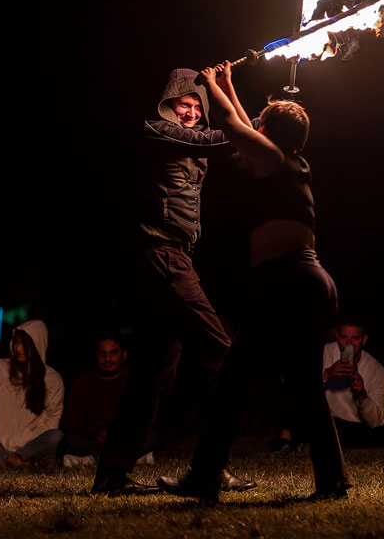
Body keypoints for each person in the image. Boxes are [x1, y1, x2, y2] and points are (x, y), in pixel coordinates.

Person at [158, 61, 350, 505]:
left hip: (288, 284)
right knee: (300, 384)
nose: (255, 125)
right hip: (302, 284)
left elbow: (229, 123)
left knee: (233, 381)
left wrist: (209, 84)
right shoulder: (281, 160)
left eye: (262, 122)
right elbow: (245, 126)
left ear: (270, 131)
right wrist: (227, 83)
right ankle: (333, 480)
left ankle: (203, 477)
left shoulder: (274, 158)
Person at [91, 67, 256, 496]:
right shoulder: (157, 131)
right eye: (184, 104)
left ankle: (111, 476)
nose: (191, 112)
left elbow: (236, 150)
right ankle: (210, 468)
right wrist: (254, 124)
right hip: (162, 255)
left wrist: (230, 98)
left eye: (198, 107)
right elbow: (220, 138)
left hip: (173, 256)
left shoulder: (194, 147)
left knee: (152, 371)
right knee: (220, 351)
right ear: (169, 105)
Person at [0, 320, 64, 466]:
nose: (18, 348)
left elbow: (53, 419)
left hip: (31, 445)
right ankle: (14, 460)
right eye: (16, 342)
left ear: (37, 344)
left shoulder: (52, 378)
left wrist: (34, 442)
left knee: (56, 436)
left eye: (24, 344)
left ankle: (21, 457)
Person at [57, 333, 155, 467]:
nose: (107, 359)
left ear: (123, 355)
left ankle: (94, 459)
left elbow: (144, 416)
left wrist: (119, 433)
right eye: (102, 354)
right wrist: (97, 433)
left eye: (113, 353)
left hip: (125, 437)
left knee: (152, 437)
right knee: (69, 440)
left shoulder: (134, 380)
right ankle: (126, 458)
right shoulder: (83, 382)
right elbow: (70, 421)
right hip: (95, 439)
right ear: (96, 356)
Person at [322, 318, 384, 447]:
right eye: (343, 337)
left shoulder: (377, 371)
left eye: (355, 338)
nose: (348, 344)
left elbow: (378, 421)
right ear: (337, 336)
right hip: (322, 423)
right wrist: (326, 374)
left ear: (364, 340)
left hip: (353, 429)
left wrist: (361, 395)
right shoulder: (325, 354)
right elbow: (298, 389)